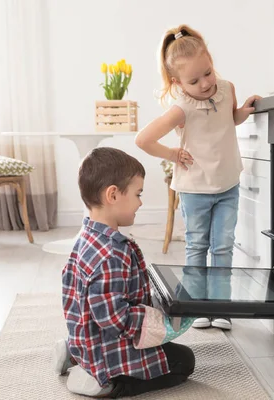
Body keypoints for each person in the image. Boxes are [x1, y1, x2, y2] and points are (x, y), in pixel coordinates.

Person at [135, 24, 260, 331]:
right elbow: (144, 139)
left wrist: (244, 110)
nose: (205, 83)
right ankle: (195, 307)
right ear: (178, 82)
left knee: (223, 246)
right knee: (197, 246)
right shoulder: (181, 108)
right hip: (195, 189)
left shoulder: (226, 88)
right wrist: (172, 154)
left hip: (228, 182)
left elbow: (228, 118)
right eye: (194, 80)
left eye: (207, 72)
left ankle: (220, 308)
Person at [53, 147, 195, 398]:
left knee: (168, 350)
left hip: (85, 338)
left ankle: (74, 351)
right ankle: (105, 382)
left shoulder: (86, 237)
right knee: (184, 361)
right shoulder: (111, 253)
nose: (141, 202)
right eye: (138, 194)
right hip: (106, 351)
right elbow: (114, 318)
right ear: (113, 195)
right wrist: (155, 323)